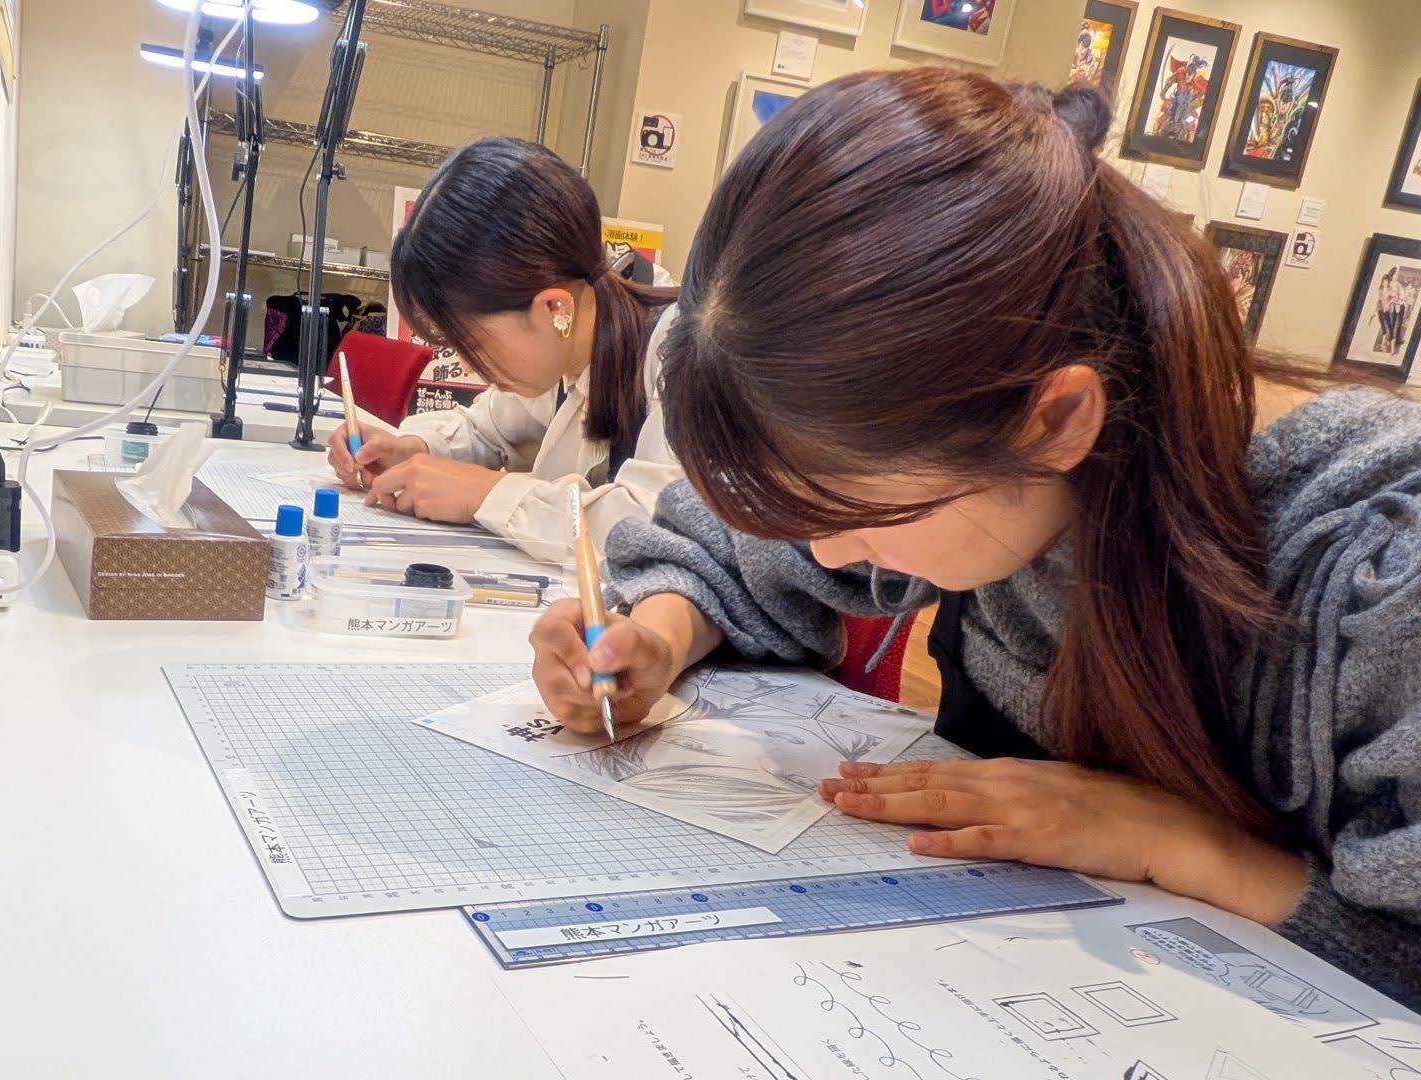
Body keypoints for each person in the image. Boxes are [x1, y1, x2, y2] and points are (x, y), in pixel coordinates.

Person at [529, 69, 1421, 1009]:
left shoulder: (1385, 575)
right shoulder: (1001, 464)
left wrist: (1178, 843)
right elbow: (741, 552)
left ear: (1058, 420)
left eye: (862, 514)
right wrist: (655, 638)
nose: (825, 554)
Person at [326, 137, 683, 561]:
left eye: (473, 343)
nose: (466, 364)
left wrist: (484, 493)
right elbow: (485, 430)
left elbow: (656, 526)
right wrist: (412, 448)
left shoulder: (681, 354)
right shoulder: (564, 348)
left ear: (554, 308)